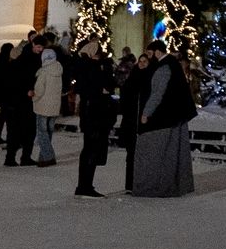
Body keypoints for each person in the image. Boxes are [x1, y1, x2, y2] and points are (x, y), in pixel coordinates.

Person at [128, 44, 195, 197]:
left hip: (162, 119)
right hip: (174, 117)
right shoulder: (172, 64)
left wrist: (146, 113)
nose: (148, 56)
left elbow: (157, 93)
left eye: (150, 53)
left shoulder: (163, 67)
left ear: (157, 52)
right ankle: (170, 187)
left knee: (155, 154)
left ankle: (154, 187)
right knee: (171, 155)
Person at [70, 46, 116, 198]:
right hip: (96, 113)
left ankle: (84, 185)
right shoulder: (93, 68)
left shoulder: (84, 67)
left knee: (89, 148)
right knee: (92, 149)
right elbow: (106, 86)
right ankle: (85, 185)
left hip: (91, 113)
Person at [116, 44, 152, 192]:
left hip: (144, 121)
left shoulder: (150, 78)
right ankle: (130, 184)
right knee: (131, 154)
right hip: (131, 121)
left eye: (145, 62)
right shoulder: (132, 78)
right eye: (140, 61)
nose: (142, 64)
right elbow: (125, 96)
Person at [0, 43, 33, 165]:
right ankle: (22, 157)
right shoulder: (22, 69)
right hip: (19, 104)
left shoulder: (5, 68)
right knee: (23, 131)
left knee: (12, 132)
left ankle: (10, 157)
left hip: (9, 104)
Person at [31, 41, 65, 167]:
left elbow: (39, 90)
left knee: (42, 132)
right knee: (48, 131)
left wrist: (34, 98)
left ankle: (49, 156)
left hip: (43, 105)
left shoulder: (44, 72)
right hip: (54, 106)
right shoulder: (58, 70)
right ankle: (43, 156)